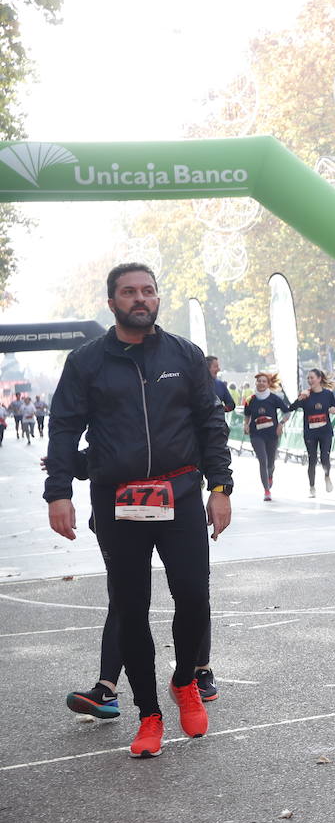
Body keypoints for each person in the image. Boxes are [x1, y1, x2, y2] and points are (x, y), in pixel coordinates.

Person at [44, 262, 232, 758]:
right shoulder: (86, 362)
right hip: (118, 499)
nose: (140, 298)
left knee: (194, 596)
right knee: (131, 608)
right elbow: (63, 427)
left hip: (182, 494)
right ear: (112, 302)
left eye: (148, 290)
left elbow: (211, 423)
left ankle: (185, 680)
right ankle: (148, 714)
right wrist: (57, 491)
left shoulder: (184, 355)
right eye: (129, 292)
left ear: (157, 299)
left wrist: (221, 486)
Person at [290, 368, 335, 497]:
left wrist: (333, 409)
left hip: (325, 431)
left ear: (319, 379)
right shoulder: (306, 395)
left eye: (312, 377)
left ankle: (327, 476)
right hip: (310, 432)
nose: (310, 380)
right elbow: (291, 408)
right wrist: (300, 398)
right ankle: (312, 487)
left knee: (325, 457)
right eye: (308, 378)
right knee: (312, 460)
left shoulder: (327, 394)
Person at [242, 372, 292, 501]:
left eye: (264, 381)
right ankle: (266, 490)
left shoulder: (274, 398)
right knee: (262, 461)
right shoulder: (250, 400)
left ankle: (270, 474)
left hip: (272, 434)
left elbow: (287, 413)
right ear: (256, 383)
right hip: (256, 434)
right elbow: (247, 415)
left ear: (268, 384)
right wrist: (246, 424)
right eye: (259, 381)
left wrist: (281, 424)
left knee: (270, 463)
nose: (261, 383)